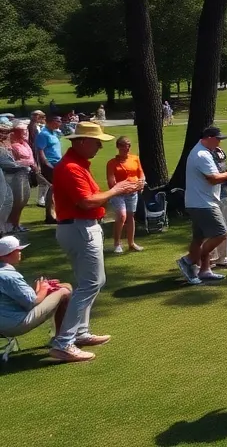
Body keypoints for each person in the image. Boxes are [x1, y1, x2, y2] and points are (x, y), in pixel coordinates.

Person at [52, 120, 143, 363]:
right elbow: (87, 202)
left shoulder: (77, 165)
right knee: (91, 283)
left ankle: (79, 332)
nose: (99, 148)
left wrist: (115, 192)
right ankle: (64, 342)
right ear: (81, 142)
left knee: (90, 282)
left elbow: (91, 199)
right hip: (79, 228)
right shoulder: (72, 168)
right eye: (96, 142)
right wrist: (118, 190)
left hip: (79, 228)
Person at [177, 126, 227, 286]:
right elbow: (213, 178)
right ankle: (189, 260)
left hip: (198, 201)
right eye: (218, 139)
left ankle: (205, 270)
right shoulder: (202, 154)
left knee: (199, 237)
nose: (219, 143)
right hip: (203, 203)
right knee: (221, 233)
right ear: (209, 138)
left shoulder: (202, 152)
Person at [0, 236, 74, 354]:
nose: (20, 253)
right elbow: (32, 302)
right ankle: (61, 342)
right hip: (14, 324)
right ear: (7, 254)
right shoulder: (9, 276)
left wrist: (38, 289)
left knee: (61, 288)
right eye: (17, 250)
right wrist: (44, 287)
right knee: (65, 290)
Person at [105, 137, 145, 254]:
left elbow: (141, 173)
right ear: (118, 147)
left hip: (132, 193)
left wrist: (141, 183)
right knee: (122, 216)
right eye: (122, 146)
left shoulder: (135, 159)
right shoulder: (112, 163)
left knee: (130, 216)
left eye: (127, 145)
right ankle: (117, 243)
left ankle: (131, 243)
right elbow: (111, 181)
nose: (125, 148)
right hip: (119, 193)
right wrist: (123, 188)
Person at [6, 122, 35, 234]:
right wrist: (27, 163)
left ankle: (16, 224)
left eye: (26, 130)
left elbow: (30, 159)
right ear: (15, 132)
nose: (25, 133)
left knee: (23, 201)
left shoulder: (25, 144)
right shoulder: (11, 146)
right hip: (14, 176)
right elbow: (13, 162)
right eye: (23, 131)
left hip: (25, 175)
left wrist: (30, 163)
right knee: (16, 201)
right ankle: (11, 224)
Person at [35, 114, 63, 223]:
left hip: (57, 163)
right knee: (53, 189)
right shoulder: (43, 134)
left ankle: (53, 214)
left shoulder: (54, 133)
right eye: (58, 121)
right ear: (52, 121)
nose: (60, 123)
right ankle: (50, 216)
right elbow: (40, 151)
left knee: (55, 190)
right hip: (50, 164)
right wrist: (47, 164)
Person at [28, 111, 48, 208]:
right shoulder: (33, 126)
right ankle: (41, 199)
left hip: (39, 152)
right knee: (43, 178)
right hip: (35, 153)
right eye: (37, 115)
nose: (39, 117)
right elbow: (34, 143)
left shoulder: (37, 126)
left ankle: (42, 199)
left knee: (43, 178)